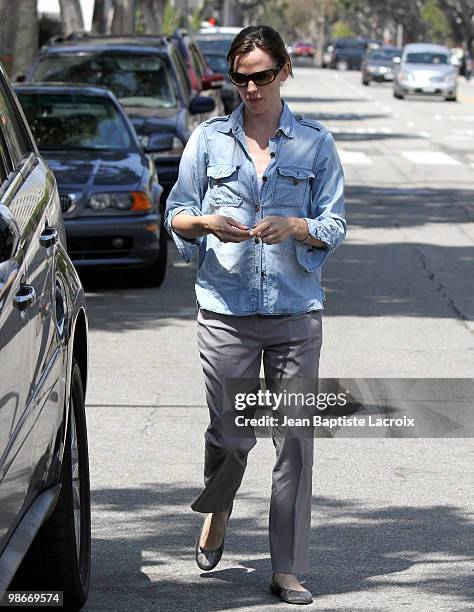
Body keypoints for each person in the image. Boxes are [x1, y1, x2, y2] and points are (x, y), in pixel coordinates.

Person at [165, 25, 346, 605]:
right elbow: (177, 213)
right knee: (231, 435)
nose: (251, 87)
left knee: (293, 440)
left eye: (262, 75)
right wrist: (207, 224)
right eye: (240, 77)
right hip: (226, 311)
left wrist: (296, 227)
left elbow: (334, 225)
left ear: (283, 72)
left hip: (295, 313)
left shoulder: (315, 144)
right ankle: (217, 506)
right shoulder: (209, 140)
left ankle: (287, 568)